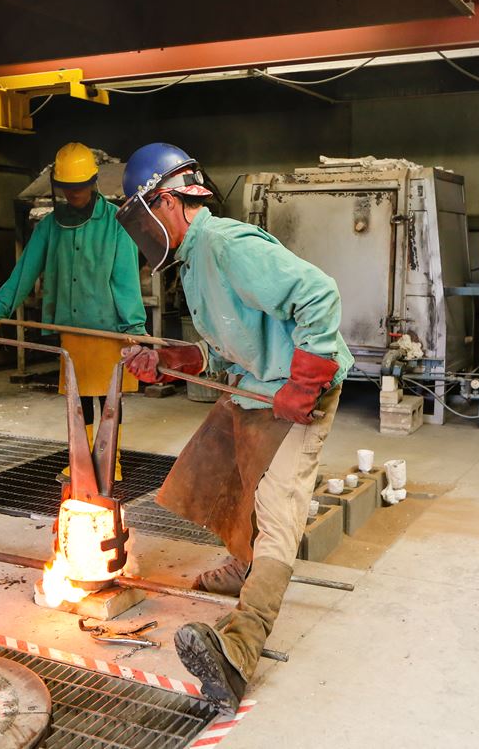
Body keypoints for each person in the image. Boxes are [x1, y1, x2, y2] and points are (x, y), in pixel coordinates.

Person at [116, 142, 353, 714]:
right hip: (254, 384)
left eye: (143, 215)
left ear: (166, 202)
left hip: (295, 391)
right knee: (217, 470)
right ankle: (240, 568)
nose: (144, 231)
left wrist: (305, 381)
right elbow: (228, 345)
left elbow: (319, 294)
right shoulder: (194, 260)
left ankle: (241, 646)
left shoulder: (226, 244)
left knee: (277, 509)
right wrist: (172, 359)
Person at [0, 143, 146, 479]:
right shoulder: (49, 226)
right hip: (73, 328)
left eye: (80, 186)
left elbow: (126, 279)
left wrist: (134, 327)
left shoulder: (116, 223)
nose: (74, 193)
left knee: (109, 398)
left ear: (93, 182)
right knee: (78, 398)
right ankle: (82, 460)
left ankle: (110, 462)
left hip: (110, 329)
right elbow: (25, 270)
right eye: (68, 187)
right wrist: (0, 305)